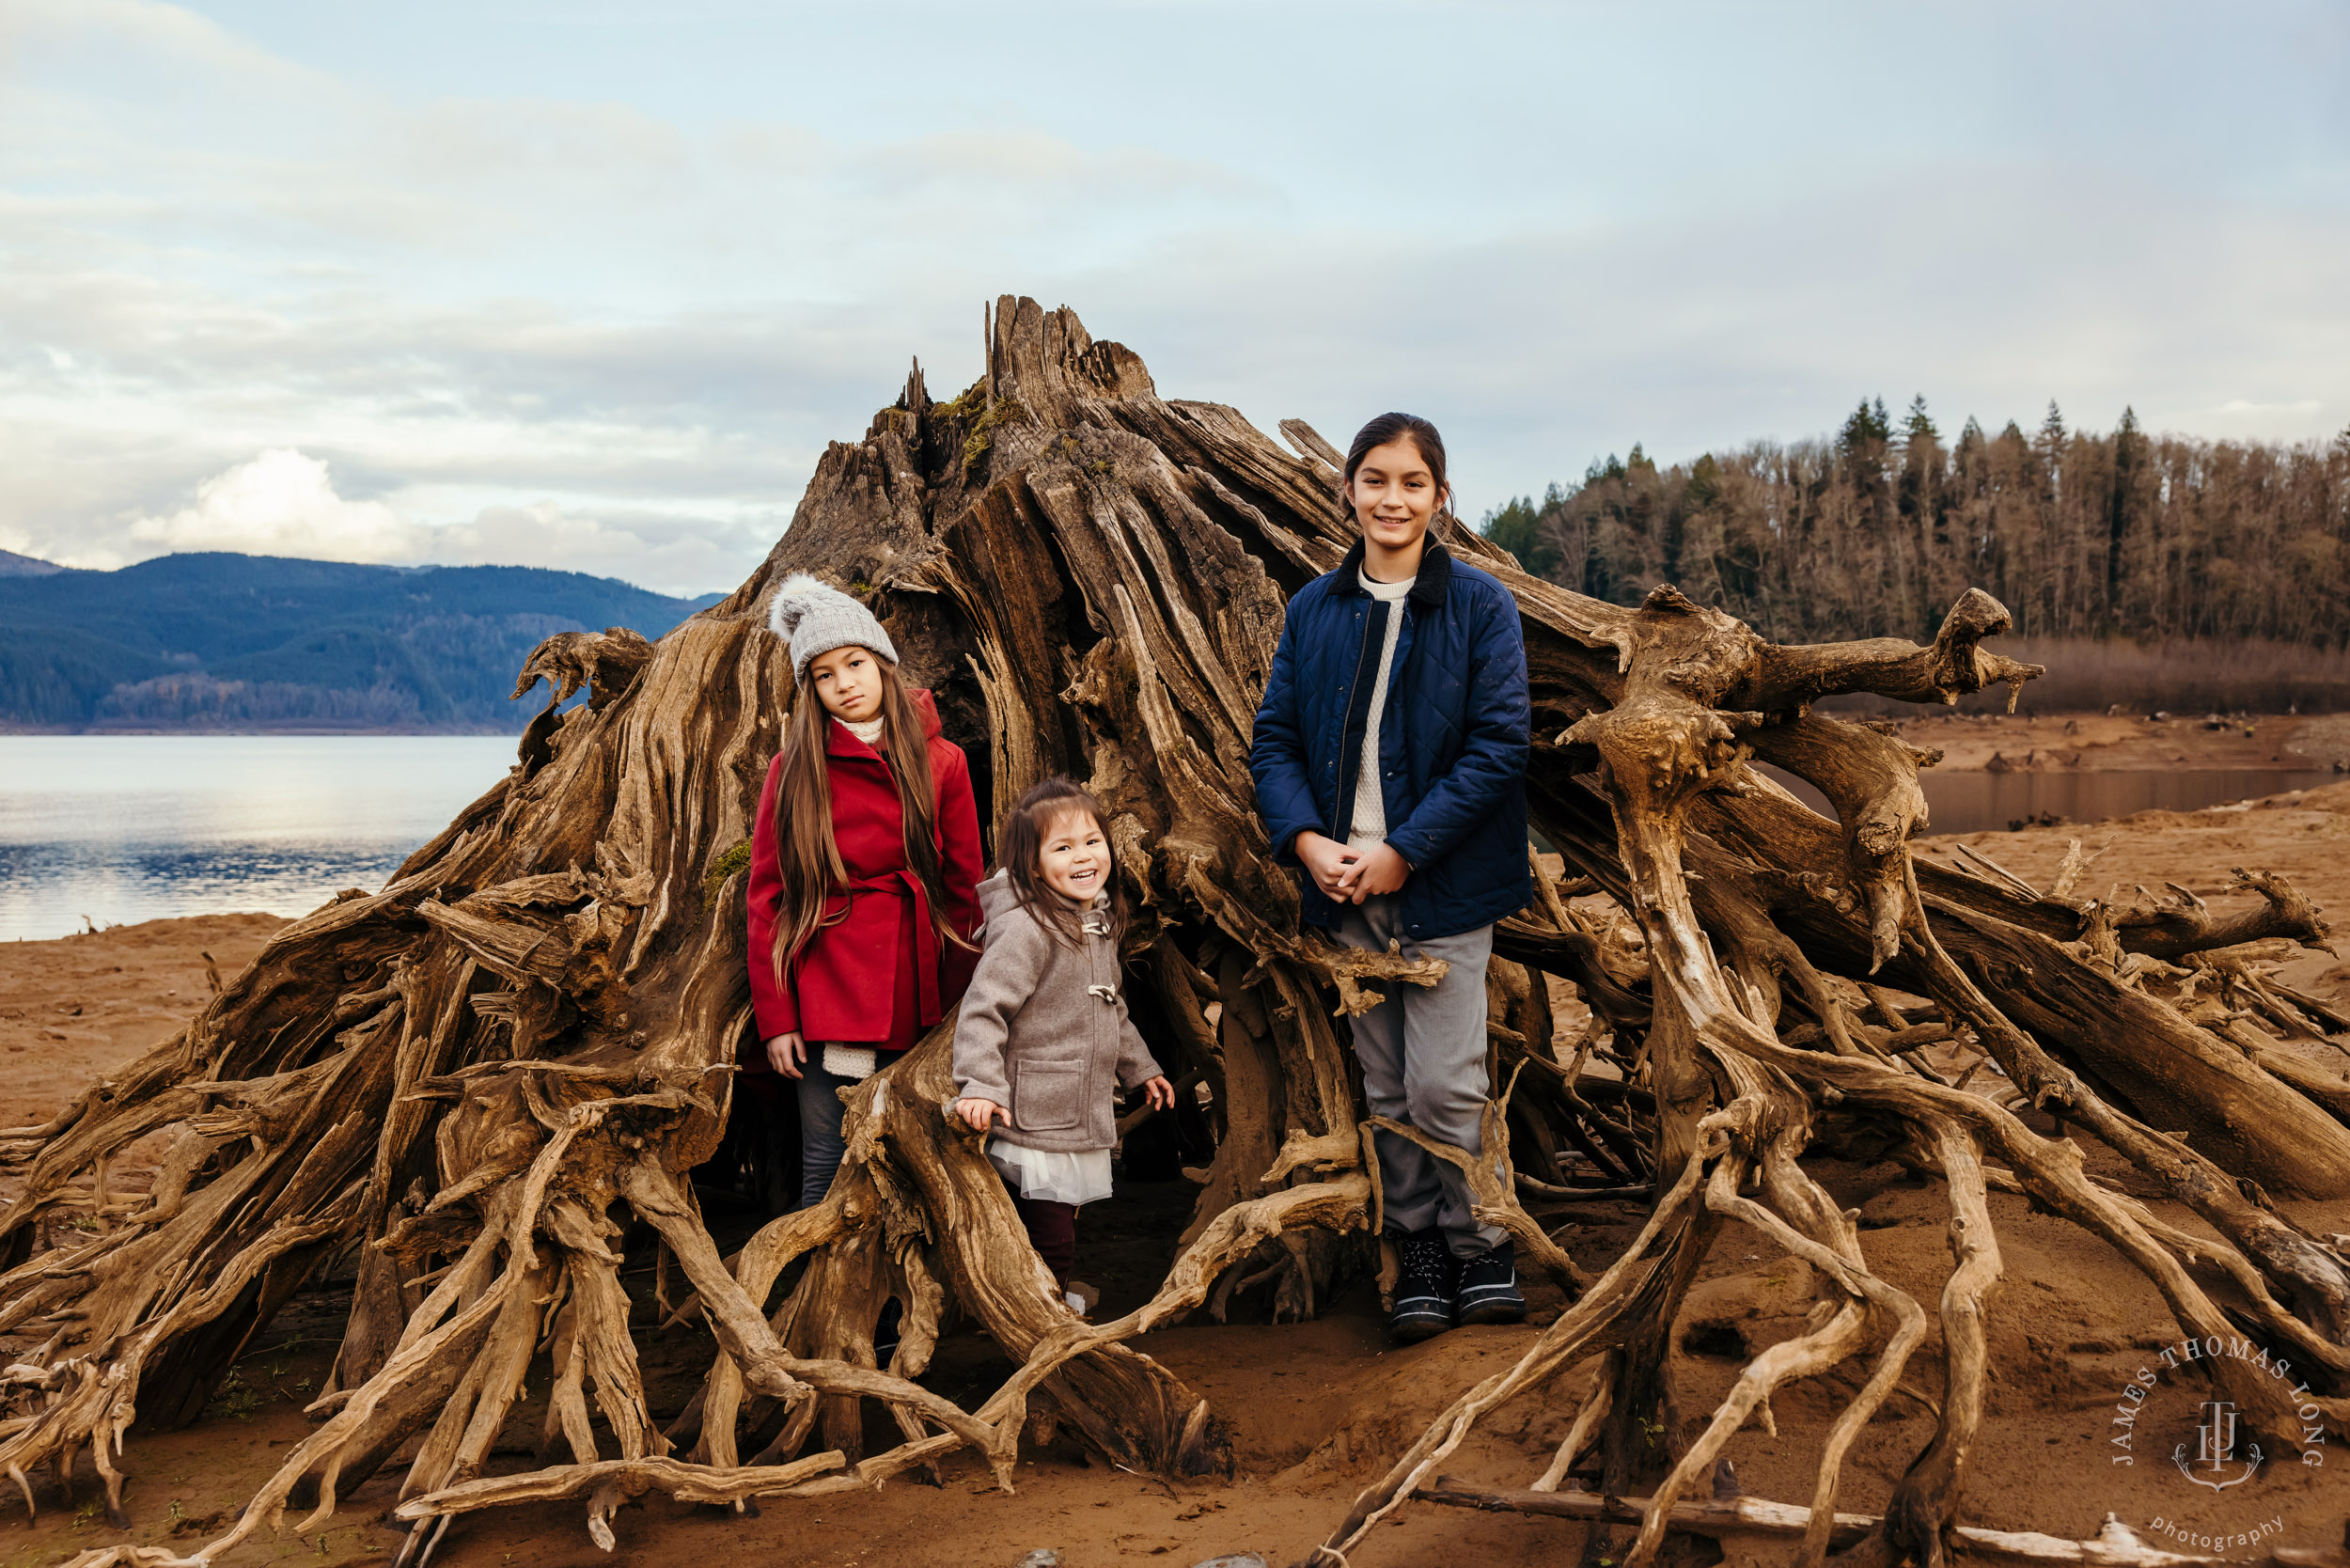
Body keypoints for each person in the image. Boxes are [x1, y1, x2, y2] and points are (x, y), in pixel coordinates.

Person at [1248, 412, 1532, 1342]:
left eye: (1412, 483)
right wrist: (1304, 842)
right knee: (1386, 1090)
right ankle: (1415, 1248)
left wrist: (1402, 849)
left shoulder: (1480, 608)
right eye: (1375, 480)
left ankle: (1480, 1241)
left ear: (1440, 498)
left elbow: (1499, 747)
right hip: (1344, 892)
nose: (1392, 498)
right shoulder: (1314, 611)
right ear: (1348, 491)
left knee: (1448, 1082)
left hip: (1441, 884)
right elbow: (1276, 742)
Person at [747, 573, 984, 1212]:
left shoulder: (943, 762)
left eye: (854, 663)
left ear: (882, 664)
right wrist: (778, 1020)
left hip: (919, 984)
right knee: (826, 1157)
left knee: (915, 1151)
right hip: (827, 990)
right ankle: (818, 1307)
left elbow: (965, 891)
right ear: (811, 691)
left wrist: (961, 1010)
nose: (844, 682)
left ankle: (903, 1304)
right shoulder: (792, 769)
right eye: (823, 675)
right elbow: (766, 900)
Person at [949, 778, 1176, 1313]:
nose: (1083, 856)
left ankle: (1045, 1301)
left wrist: (1140, 1068)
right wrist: (978, 1085)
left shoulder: (1095, 923)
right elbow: (984, 1009)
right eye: (1063, 847)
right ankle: (1043, 1316)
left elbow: (1111, 1007)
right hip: (1034, 1111)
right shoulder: (1028, 929)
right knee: (1050, 1231)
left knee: (1060, 1220)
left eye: (1093, 841)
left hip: (1073, 1107)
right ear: (1032, 866)